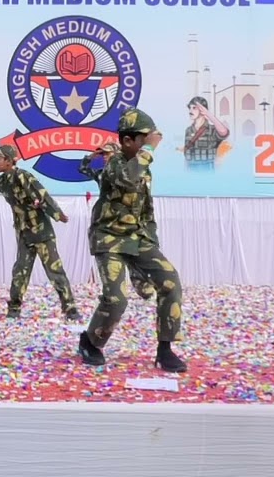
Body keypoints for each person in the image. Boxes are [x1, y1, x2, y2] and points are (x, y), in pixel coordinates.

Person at [76, 109, 186, 373]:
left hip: (137, 237)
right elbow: (127, 178)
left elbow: (147, 212)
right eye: (144, 139)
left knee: (170, 281)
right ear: (127, 141)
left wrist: (152, 246)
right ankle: (90, 342)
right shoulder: (114, 163)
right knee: (116, 298)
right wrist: (148, 149)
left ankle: (165, 350)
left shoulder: (144, 169)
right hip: (109, 238)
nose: (149, 143)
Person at [0, 144, 80, 321]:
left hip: (41, 233)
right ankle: (14, 308)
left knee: (55, 271)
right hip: (24, 233)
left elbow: (41, 194)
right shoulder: (4, 180)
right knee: (20, 271)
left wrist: (57, 214)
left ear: (8, 160)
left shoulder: (22, 176)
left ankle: (70, 308)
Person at [79, 147, 158, 304]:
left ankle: (146, 292)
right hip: (109, 223)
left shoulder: (132, 173)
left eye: (108, 153)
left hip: (129, 222)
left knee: (134, 258)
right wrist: (91, 156)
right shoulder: (103, 173)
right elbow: (83, 169)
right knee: (110, 261)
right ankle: (113, 294)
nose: (105, 157)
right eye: (103, 154)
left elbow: (144, 199)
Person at [181, 96, 230, 171]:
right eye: (190, 108)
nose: (190, 111)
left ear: (203, 110)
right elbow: (187, 154)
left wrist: (209, 115)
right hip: (190, 172)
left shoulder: (212, 130)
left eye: (194, 108)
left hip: (206, 170)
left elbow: (224, 132)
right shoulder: (188, 130)